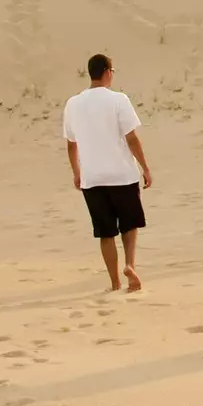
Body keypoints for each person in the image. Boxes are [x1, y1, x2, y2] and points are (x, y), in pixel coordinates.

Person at [62, 53, 153, 292]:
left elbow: (71, 144)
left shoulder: (73, 103)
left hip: (92, 178)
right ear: (107, 72)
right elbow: (131, 138)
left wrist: (76, 172)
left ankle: (114, 282)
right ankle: (130, 265)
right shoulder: (118, 100)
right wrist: (145, 167)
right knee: (129, 225)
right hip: (122, 174)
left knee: (105, 232)